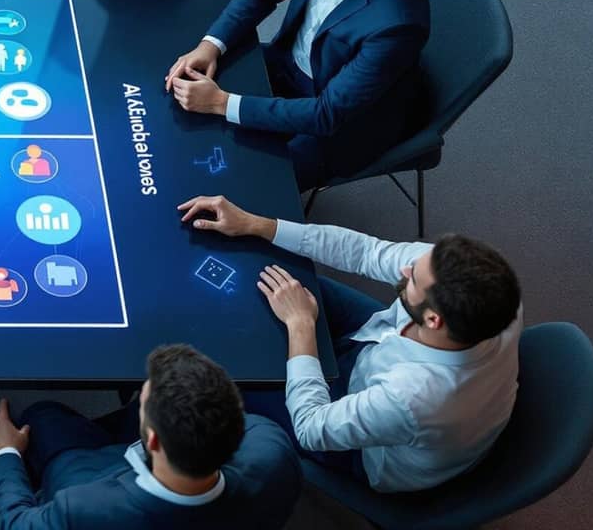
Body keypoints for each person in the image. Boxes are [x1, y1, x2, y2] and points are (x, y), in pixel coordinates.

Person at [178, 195, 521, 492]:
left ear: (434, 320)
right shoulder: (493, 294)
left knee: (225, 378)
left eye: (413, 279)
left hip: (371, 449)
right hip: (379, 348)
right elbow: (367, 252)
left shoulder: (411, 397)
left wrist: (301, 326)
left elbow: (310, 427)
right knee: (290, 283)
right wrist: (257, 225)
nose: (405, 271)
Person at [164, 0, 431, 189]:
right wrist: (211, 45)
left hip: (337, 126)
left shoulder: (397, 25)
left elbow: (326, 114)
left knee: (242, 185)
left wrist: (221, 103)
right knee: (174, 92)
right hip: (287, 63)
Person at [0, 344, 300, 528]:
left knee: (42, 416)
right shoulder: (272, 448)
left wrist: (5, 453)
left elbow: (16, 522)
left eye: (144, 402)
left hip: (85, 472)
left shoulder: (83, 509)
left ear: (154, 440)